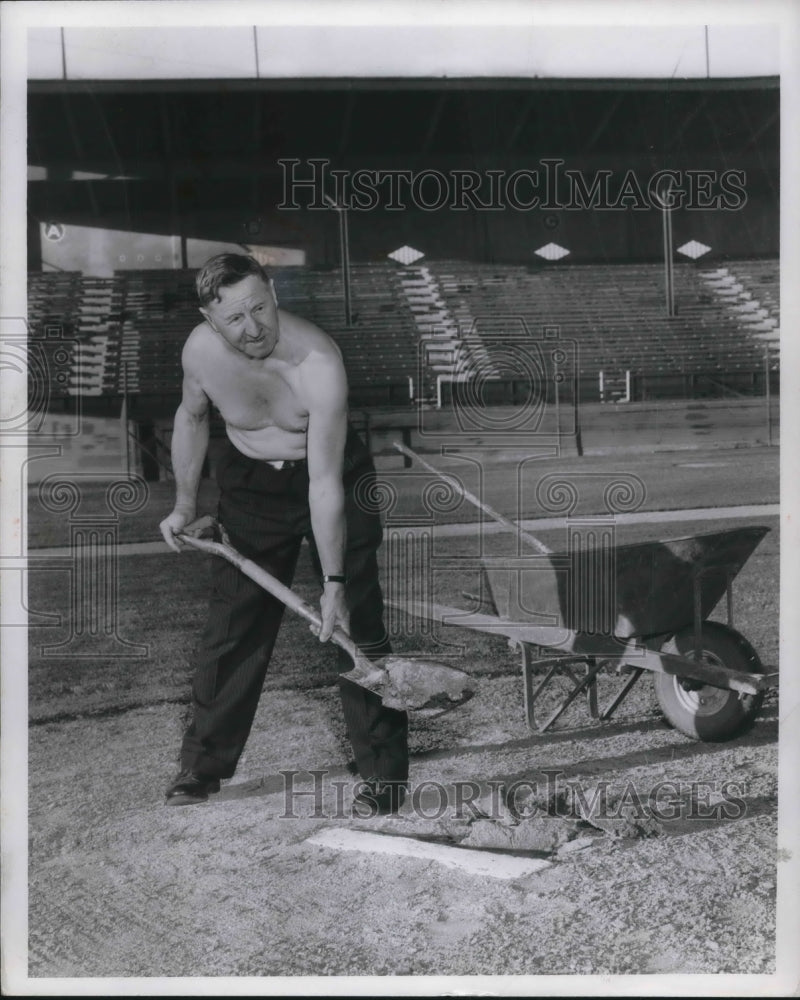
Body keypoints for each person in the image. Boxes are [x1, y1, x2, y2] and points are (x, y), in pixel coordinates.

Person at [159, 253, 408, 813]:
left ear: (272, 290)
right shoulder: (199, 352)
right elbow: (192, 418)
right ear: (209, 319)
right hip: (249, 487)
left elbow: (324, 483)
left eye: (260, 309)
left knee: (354, 623)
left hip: (332, 479)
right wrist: (182, 504)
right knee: (233, 625)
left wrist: (335, 580)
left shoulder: (318, 362)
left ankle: (384, 776)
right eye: (234, 319)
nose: (253, 329)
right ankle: (201, 768)